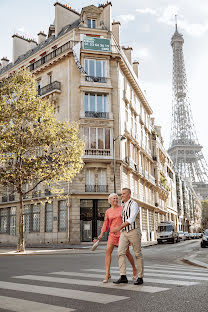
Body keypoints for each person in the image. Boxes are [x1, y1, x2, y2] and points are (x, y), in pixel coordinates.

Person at [97, 193, 137, 283]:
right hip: (112, 234)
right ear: (110, 200)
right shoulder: (108, 211)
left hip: (122, 234)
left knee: (127, 253)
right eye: (114, 198)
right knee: (108, 252)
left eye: (116, 198)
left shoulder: (122, 208)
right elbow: (106, 224)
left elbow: (128, 219)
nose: (115, 200)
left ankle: (134, 269)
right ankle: (107, 274)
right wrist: (101, 234)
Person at [112, 188, 144, 285]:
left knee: (137, 254)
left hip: (134, 231)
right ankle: (123, 276)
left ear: (129, 194)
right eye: (121, 194)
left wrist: (119, 227)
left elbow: (131, 219)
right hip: (124, 232)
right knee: (120, 252)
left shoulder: (134, 204)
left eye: (124, 194)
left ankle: (140, 277)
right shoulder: (123, 205)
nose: (122, 195)